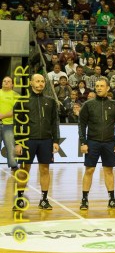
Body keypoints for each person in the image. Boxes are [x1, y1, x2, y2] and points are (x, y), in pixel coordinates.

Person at [13, 74, 61, 211]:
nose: (40, 83)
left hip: (46, 141)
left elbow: (54, 123)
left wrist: (55, 141)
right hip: (28, 140)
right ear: (31, 83)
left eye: (42, 81)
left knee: (45, 169)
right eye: (37, 81)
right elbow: (17, 123)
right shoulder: (23, 101)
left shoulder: (51, 101)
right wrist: (18, 142)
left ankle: (44, 200)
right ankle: (20, 199)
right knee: (24, 169)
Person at [78, 78, 115, 210]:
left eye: (102, 86)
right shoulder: (88, 104)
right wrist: (83, 142)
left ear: (108, 88)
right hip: (92, 142)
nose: (98, 88)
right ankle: (85, 199)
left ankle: (111, 199)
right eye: (97, 86)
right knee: (89, 170)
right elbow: (81, 125)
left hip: (109, 143)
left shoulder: (114, 104)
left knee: (108, 171)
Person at [0, 76, 19, 171]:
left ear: (12, 84)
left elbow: (16, 110)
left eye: (8, 81)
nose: (6, 83)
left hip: (9, 125)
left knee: (10, 146)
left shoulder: (16, 95)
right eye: (4, 81)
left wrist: (2, 116)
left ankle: (13, 165)